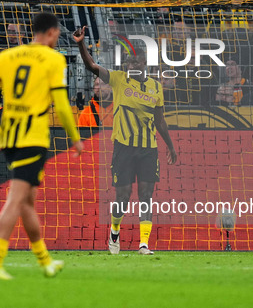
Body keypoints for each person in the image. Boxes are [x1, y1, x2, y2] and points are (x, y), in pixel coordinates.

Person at [0, 12, 83, 280]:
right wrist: (75, 137)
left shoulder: (7, 56)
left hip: (10, 137)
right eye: (58, 33)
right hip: (33, 138)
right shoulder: (54, 58)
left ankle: (45, 261)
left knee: (27, 202)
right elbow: (61, 104)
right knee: (16, 199)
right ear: (50, 33)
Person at [73, 25, 178, 255]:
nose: (130, 67)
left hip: (148, 148)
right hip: (123, 147)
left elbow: (160, 121)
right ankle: (115, 230)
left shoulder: (155, 88)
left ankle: (143, 244)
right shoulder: (118, 79)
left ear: (143, 65)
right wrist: (81, 43)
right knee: (123, 195)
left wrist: (170, 146)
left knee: (146, 194)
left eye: (135, 63)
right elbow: (91, 66)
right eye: (128, 63)